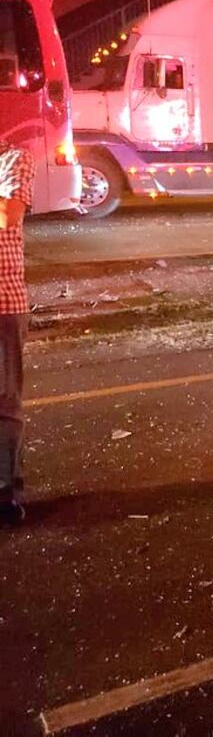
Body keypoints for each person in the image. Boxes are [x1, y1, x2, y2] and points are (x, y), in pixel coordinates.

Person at [0, 142, 33, 526]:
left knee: (4, 406)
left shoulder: (13, 158)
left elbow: (8, 214)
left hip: (4, 306)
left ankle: (5, 494)